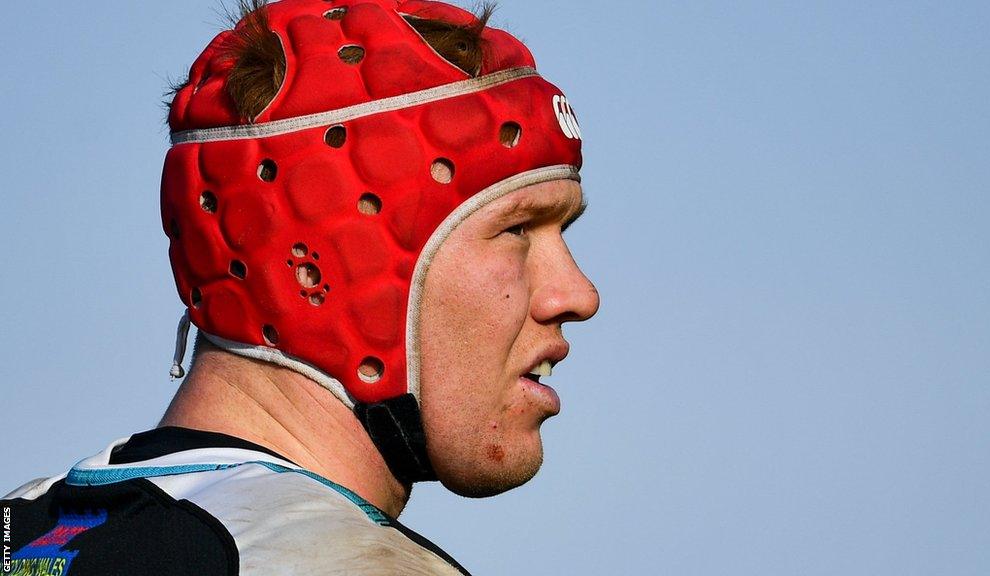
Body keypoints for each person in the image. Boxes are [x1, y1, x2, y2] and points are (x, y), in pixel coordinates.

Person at [1, 0, 598, 573]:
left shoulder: (21, 531)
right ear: (314, 271)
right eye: (517, 228)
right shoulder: (341, 564)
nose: (577, 294)